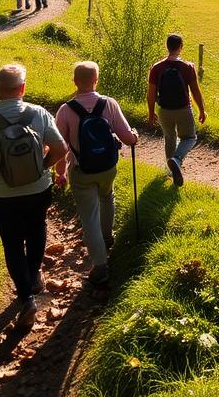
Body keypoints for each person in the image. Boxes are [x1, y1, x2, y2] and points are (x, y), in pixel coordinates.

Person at [0, 64, 67, 328]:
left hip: (3, 196)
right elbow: (61, 148)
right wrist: (42, 167)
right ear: (23, 89)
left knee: (12, 244)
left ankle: (26, 300)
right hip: (38, 189)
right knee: (37, 229)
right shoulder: (39, 114)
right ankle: (34, 274)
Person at [54, 62, 138, 286]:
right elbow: (127, 137)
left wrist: (60, 172)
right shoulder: (108, 104)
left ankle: (100, 264)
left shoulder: (65, 110)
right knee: (107, 196)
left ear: (74, 81)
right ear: (96, 80)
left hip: (81, 170)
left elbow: (59, 147)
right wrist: (134, 137)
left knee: (88, 216)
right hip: (108, 167)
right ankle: (107, 236)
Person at [147, 33, 207, 187]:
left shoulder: (157, 68)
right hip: (183, 109)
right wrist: (202, 110)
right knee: (189, 138)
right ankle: (177, 160)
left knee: (169, 137)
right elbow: (195, 91)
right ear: (181, 47)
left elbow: (151, 94)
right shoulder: (187, 67)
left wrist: (151, 111)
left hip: (164, 110)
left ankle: (171, 169)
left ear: (167, 47)